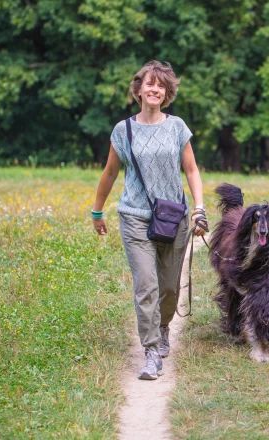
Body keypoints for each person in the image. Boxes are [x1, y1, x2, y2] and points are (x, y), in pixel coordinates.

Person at [91, 60, 207, 380]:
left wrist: (199, 207)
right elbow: (110, 173)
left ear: (166, 93)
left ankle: (163, 327)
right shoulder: (123, 130)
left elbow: (191, 169)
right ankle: (152, 351)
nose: (155, 89)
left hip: (173, 218)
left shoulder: (177, 127)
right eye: (150, 84)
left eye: (161, 86)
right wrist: (97, 211)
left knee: (168, 287)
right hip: (134, 217)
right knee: (146, 285)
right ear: (139, 90)